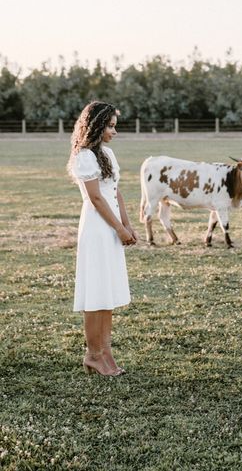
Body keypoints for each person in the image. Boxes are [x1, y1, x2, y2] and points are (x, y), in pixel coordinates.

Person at [67, 101, 138, 376]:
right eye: (109, 126)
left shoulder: (106, 153)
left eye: (114, 126)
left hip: (112, 225)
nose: (114, 132)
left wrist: (127, 224)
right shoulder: (84, 156)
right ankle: (93, 354)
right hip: (97, 227)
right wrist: (117, 229)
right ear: (95, 126)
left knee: (106, 293)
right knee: (95, 292)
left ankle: (106, 353)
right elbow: (96, 197)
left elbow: (115, 191)